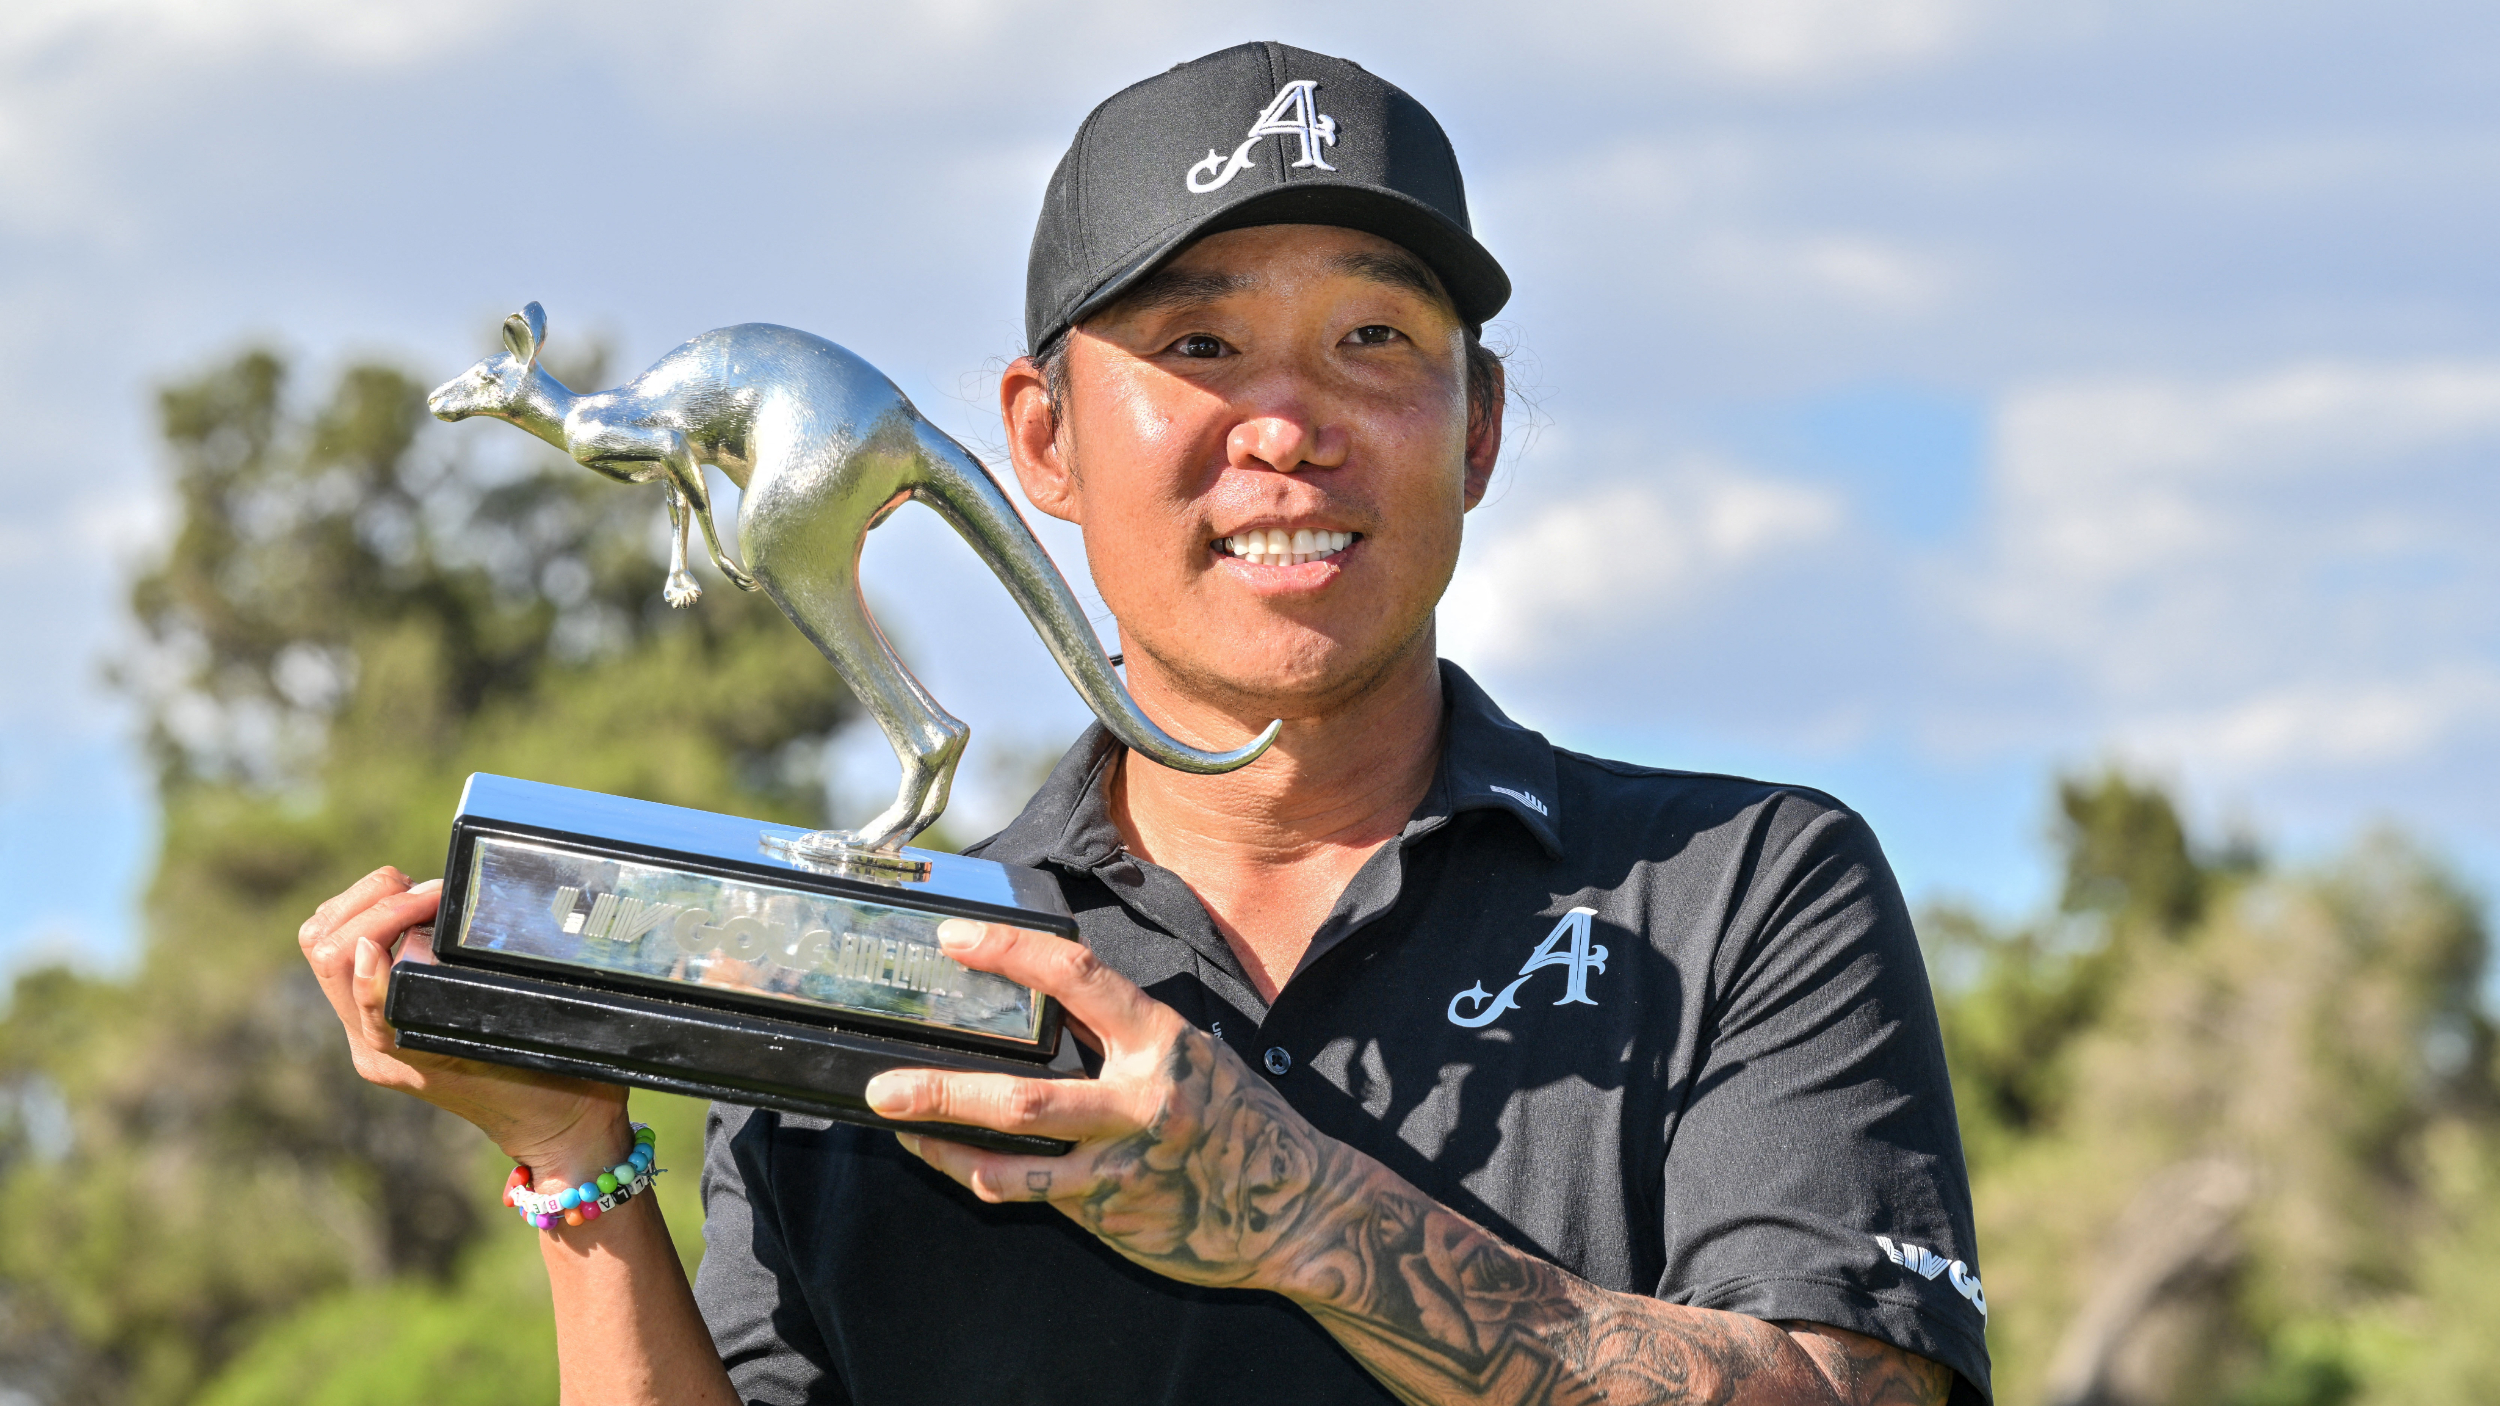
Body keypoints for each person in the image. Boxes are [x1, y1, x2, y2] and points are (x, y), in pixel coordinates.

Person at [298, 41, 1990, 1406]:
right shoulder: (880, 963)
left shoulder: (1741, 890)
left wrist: (1294, 1209)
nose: (1286, 427)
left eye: (1372, 339)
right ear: (1042, 441)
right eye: (1197, 343)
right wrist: (575, 1163)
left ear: (1476, 429)